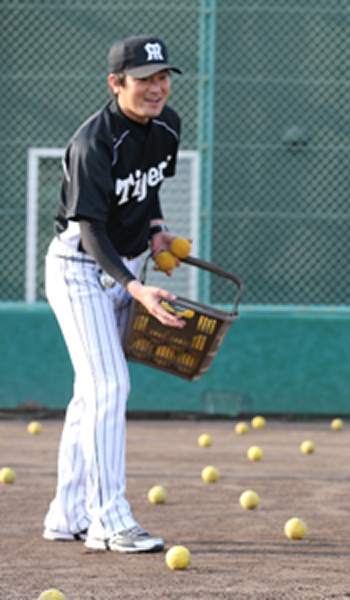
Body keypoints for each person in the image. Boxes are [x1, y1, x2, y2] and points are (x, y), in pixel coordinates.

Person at [42, 35, 189, 553]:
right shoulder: (94, 143)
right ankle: (109, 520)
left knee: (92, 394)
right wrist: (136, 288)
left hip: (123, 267)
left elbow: (149, 188)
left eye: (162, 77)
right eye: (144, 79)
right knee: (109, 386)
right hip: (80, 269)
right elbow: (91, 232)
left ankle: (68, 514)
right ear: (116, 83)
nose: (157, 88)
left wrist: (157, 231)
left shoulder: (167, 126)